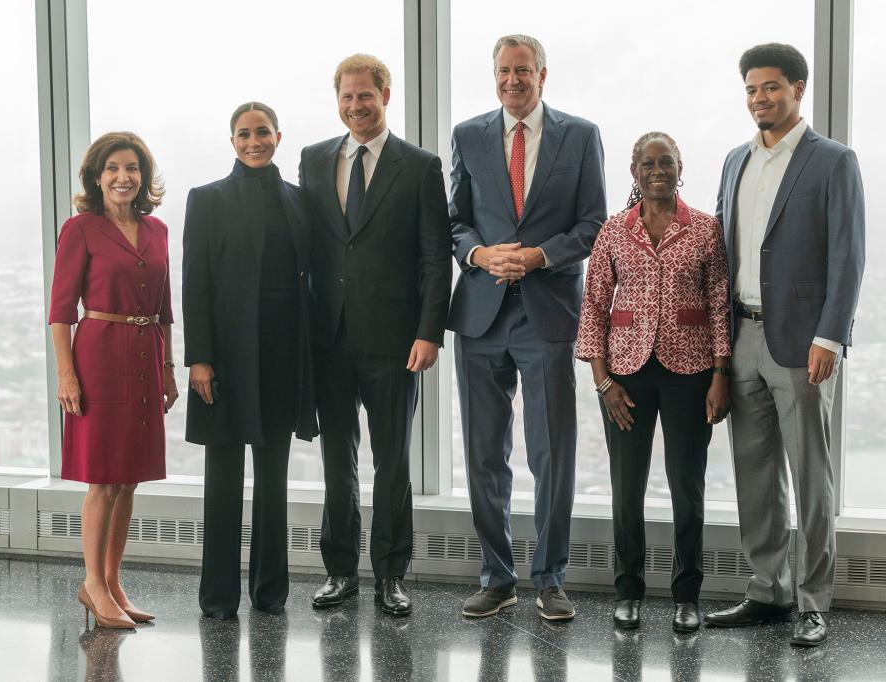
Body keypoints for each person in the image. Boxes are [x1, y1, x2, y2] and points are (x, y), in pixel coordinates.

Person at [704, 43, 865, 648]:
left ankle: (813, 600)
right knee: (754, 472)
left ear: (798, 88)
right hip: (741, 336)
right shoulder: (733, 161)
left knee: (810, 474)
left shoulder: (832, 161)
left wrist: (830, 335)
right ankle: (767, 590)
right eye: (750, 89)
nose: (758, 99)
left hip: (802, 343)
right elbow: (723, 252)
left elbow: (848, 257)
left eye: (770, 87)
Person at [448, 34, 606, 620]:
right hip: (482, 314)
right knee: (485, 453)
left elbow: (593, 222)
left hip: (547, 312)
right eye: (503, 72)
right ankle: (497, 576)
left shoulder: (581, 135)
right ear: (494, 76)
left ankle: (550, 578)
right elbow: (455, 220)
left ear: (543, 75)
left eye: (523, 71)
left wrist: (538, 256)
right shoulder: (468, 134)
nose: (512, 81)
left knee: (551, 451)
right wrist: (481, 256)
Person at [299, 54, 451, 616]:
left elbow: (436, 258)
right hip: (329, 337)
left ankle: (391, 574)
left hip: (395, 339)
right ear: (336, 100)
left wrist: (429, 330)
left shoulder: (419, 166)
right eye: (346, 97)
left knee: (392, 462)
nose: (356, 106)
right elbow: (310, 249)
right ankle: (340, 571)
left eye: (366, 95)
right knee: (337, 462)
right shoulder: (314, 160)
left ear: (385, 94)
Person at [576, 132, 731, 632]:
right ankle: (629, 591)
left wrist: (720, 375)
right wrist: (603, 382)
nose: (657, 170)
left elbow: (720, 306)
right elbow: (595, 305)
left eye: (666, 162)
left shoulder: (707, 230)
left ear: (680, 168)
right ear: (634, 171)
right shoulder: (613, 232)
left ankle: (687, 595)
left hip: (691, 373)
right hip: (625, 377)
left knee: (688, 486)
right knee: (627, 487)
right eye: (648, 163)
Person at [183, 102, 318, 619]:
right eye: (244, 134)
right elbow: (195, 285)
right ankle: (218, 599)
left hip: (284, 355)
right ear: (232, 141)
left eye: (262, 132)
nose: (253, 141)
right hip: (225, 357)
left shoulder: (300, 200)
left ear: (278, 137)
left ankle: (270, 594)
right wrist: (199, 359)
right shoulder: (207, 199)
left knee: (273, 477)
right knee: (222, 478)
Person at [49, 132, 178, 629]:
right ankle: (93, 586)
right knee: (103, 479)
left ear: (144, 177)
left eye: (133, 168)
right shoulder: (80, 229)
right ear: (97, 178)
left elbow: (165, 309)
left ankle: (112, 580)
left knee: (129, 480)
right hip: (99, 357)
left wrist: (168, 368)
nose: (123, 177)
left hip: (147, 356)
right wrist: (67, 374)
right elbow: (61, 312)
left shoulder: (158, 229)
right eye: (113, 169)